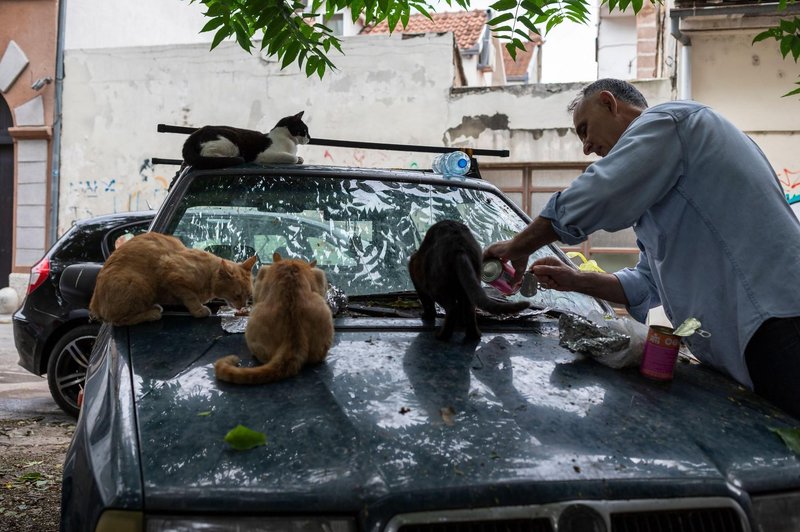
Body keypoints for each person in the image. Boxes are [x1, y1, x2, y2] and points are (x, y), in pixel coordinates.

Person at [483, 78, 800, 419]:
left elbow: (598, 193)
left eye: (585, 130)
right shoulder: (663, 183)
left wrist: (518, 245)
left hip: (779, 324)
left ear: (609, 103)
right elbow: (648, 284)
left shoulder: (673, 123)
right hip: (750, 341)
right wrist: (576, 281)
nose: (587, 147)